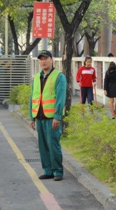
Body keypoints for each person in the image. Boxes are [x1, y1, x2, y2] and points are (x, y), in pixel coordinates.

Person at [29, 50, 67, 181]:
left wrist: (57, 116)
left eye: (46, 58)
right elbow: (32, 97)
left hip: (52, 118)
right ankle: (48, 170)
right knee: (43, 146)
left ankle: (57, 171)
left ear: (52, 60)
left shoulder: (59, 76)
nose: (43, 61)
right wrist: (31, 117)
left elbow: (61, 98)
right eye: (41, 59)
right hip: (39, 117)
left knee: (53, 145)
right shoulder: (37, 78)